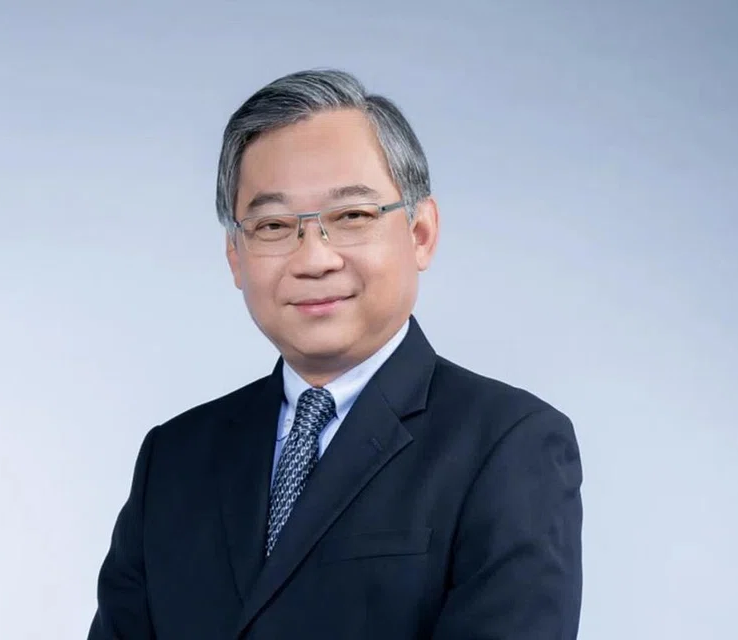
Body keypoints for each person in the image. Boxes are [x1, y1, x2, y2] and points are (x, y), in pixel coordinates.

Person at [87, 68, 583, 639]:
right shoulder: (174, 459)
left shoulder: (508, 444)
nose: (314, 259)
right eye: (273, 225)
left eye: (351, 216)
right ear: (235, 256)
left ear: (421, 233)